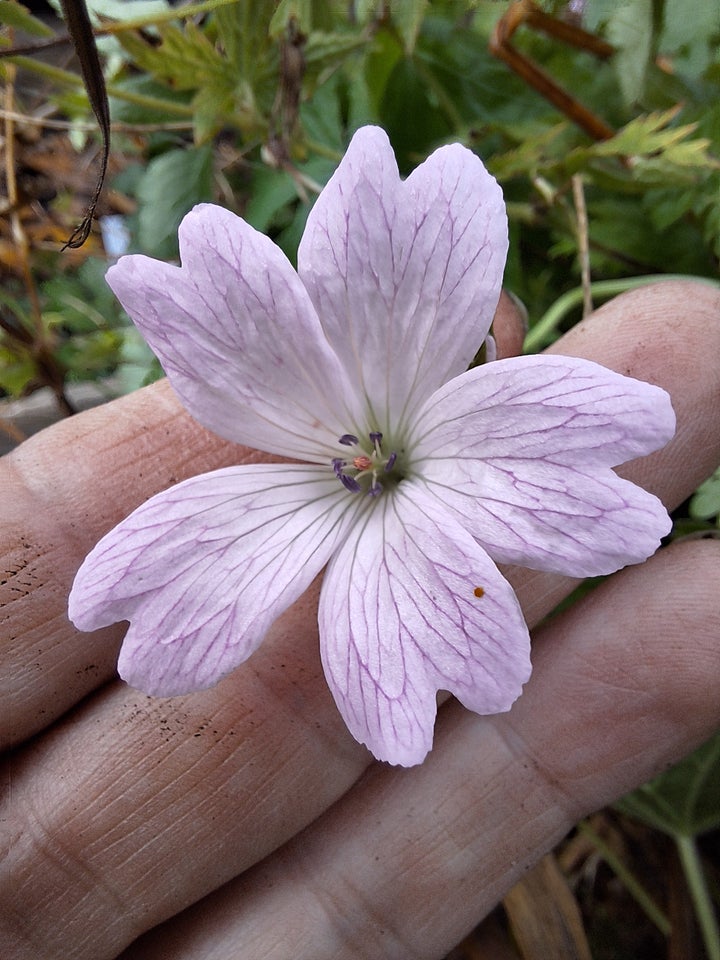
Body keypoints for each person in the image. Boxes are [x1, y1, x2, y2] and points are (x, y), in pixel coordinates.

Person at [1, 280, 718, 960]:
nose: (364, 462)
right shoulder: (353, 463)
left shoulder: (387, 446)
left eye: (367, 459)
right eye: (362, 460)